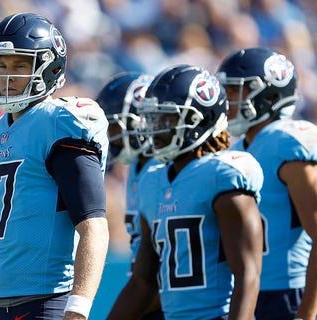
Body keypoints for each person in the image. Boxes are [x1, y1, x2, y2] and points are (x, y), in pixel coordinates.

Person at [0, 12, 110, 320]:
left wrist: (78, 309)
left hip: (47, 302)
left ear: (50, 67)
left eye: (20, 64)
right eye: (2, 65)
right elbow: (4, 242)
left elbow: (94, 225)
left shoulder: (60, 122)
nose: (7, 75)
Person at [108, 64, 264, 320]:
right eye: (152, 118)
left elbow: (248, 275)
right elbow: (143, 283)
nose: (154, 128)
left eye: (167, 118)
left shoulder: (222, 175)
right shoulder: (152, 180)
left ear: (199, 119)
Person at [216, 47, 317, 320]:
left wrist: (305, 315)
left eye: (236, 91)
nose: (227, 101)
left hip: (291, 293)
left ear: (268, 95)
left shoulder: (290, 143)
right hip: (247, 291)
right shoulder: (239, 147)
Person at [95, 71, 164, 319]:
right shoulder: (137, 167)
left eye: (114, 125)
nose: (109, 136)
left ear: (143, 120)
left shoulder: (161, 171)